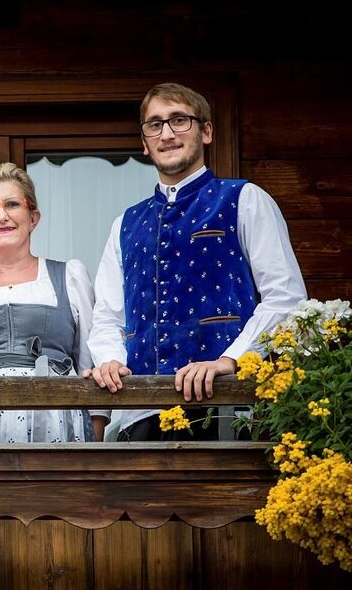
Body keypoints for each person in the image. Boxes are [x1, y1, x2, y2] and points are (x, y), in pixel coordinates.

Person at [85, 82, 307, 440]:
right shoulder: (125, 224)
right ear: (144, 143)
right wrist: (111, 361)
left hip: (227, 409)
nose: (166, 134)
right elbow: (108, 317)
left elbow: (286, 298)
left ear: (206, 132)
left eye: (179, 120)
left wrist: (230, 360)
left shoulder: (245, 199)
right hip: (141, 413)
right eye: (155, 124)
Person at [0, 163, 107, 443]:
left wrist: (93, 442)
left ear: (33, 217)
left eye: (12, 204)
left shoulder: (69, 276)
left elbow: (91, 364)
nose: (1, 216)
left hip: (59, 423)